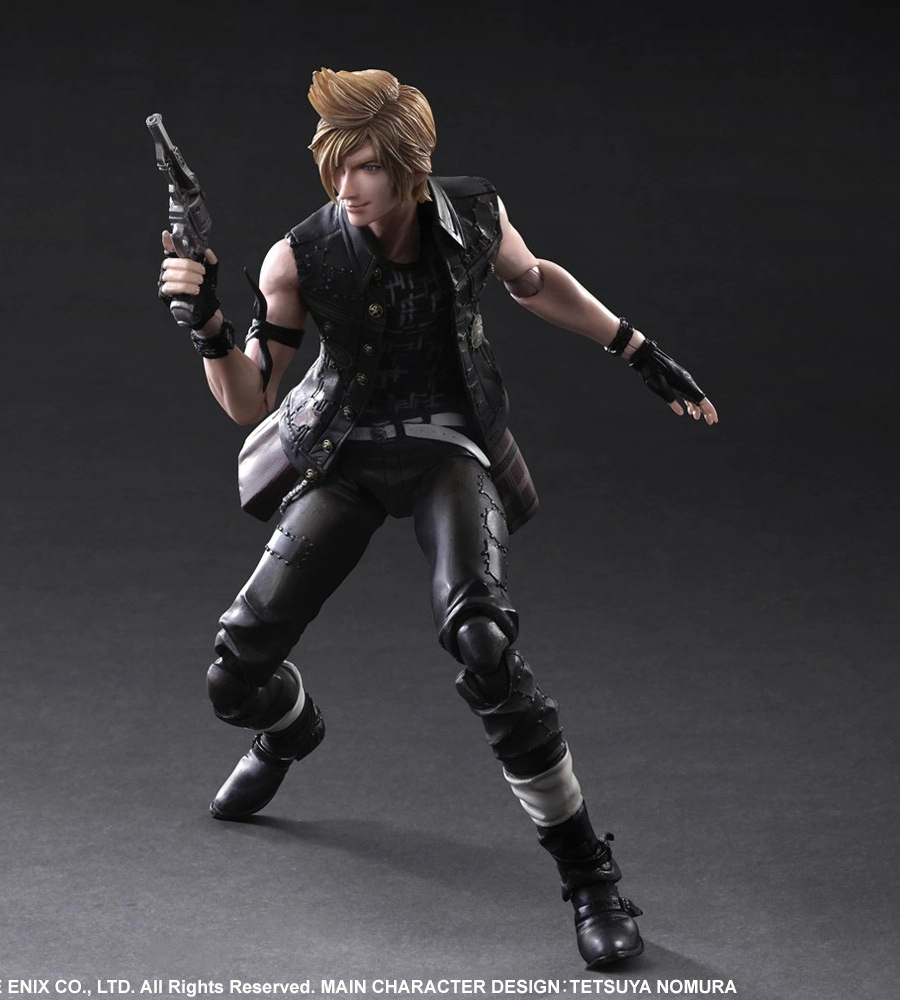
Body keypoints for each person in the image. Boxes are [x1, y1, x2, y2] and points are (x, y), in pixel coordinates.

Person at [156, 67, 718, 969]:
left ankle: (589, 875)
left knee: (484, 639)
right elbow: (250, 400)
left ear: (411, 167)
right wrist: (208, 327)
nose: (348, 185)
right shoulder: (299, 256)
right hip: (343, 456)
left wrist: (634, 346)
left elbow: (533, 281)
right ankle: (291, 726)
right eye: (336, 164)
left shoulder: (474, 219)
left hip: (450, 448)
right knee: (232, 676)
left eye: (368, 165)